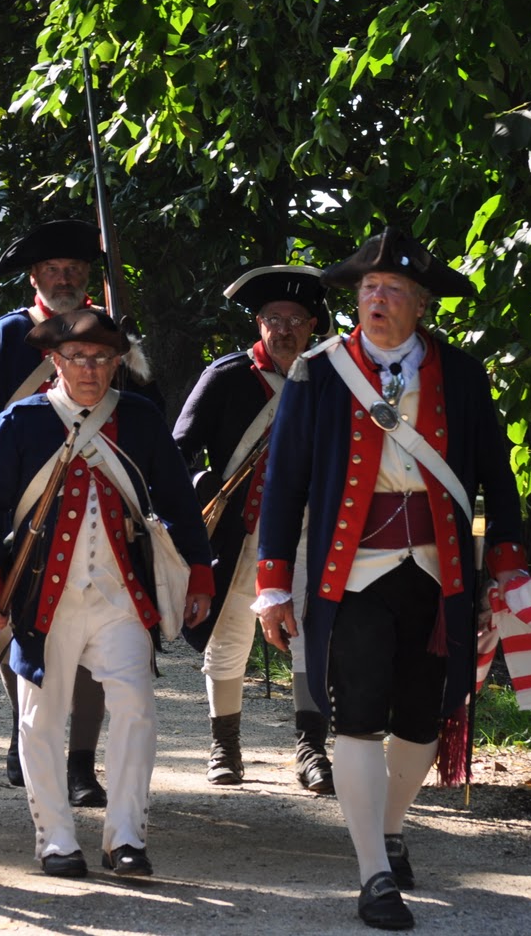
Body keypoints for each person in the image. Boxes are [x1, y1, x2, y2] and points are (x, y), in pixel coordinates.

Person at [254, 227, 528, 930]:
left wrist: (506, 570)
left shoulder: (461, 374)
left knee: (421, 719)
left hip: (438, 575)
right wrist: (273, 584)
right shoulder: (318, 371)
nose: (377, 299)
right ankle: (374, 870)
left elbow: (498, 478)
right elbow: (283, 488)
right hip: (353, 576)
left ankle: (392, 825)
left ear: (422, 306)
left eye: (394, 290)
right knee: (359, 714)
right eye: (369, 289)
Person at [0, 309, 214, 880]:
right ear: (55, 361)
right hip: (39, 599)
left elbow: (177, 502)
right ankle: (55, 839)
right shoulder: (20, 422)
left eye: (103, 359)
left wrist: (199, 570)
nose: (91, 369)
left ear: (117, 363)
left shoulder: (142, 420)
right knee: (40, 718)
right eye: (78, 358)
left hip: (120, 597)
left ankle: (125, 837)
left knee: (136, 711)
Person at [0, 218, 131, 806]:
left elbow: (139, 423)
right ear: (34, 277)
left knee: (88, 642)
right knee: (15, 629)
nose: (63, 278)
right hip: (21, 508)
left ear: (87, 279)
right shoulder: (10, 337)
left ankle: (81, 762)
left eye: (74, 271)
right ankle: (20, 731)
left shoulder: (115, 338)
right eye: (53, 270)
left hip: (95, 507)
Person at [172, 265, 336, 791]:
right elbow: (179, 450)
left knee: (314, 636)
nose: (284, 329)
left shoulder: (333, 379)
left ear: (313, 324)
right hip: (241, 531)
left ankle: (311, 750)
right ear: (258, 323)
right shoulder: (226, 376)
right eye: (273, 318)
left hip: (313, 528)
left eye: (295, 319)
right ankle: (225, 747)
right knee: (230, 634)